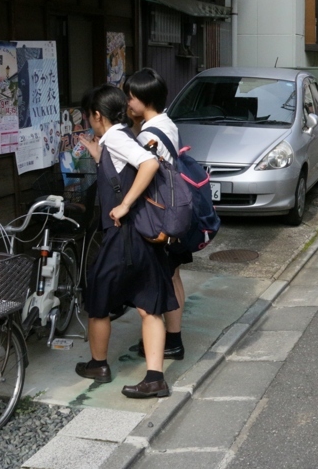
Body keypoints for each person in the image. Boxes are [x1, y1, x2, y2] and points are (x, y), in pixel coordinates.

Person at [75, 84, 178, 398]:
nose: (89, 123)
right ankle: (154, 377)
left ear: (97, 115)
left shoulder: (117, 138)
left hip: (125, 234)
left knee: (98, 299)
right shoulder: (116, 138)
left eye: (88, 117)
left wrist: (124, 204)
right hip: (138, 235)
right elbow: (123, 174)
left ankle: (98, 364)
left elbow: (149, 164)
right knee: (149, 306)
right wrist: (98, 158)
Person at [125, 68, 190, 361]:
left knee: (160, 279)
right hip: (173, 209)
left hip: (159, 213)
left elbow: (144, 171)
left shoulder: (149, 134)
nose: (127, 103)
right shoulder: (166, 123)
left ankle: (166, 342)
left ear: (143, 99)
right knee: (173, 275)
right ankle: (173, 341)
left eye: (131, 97)